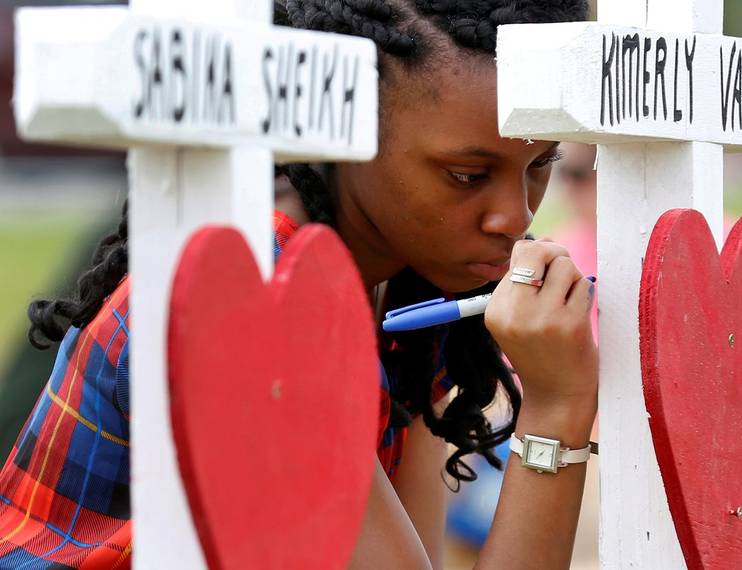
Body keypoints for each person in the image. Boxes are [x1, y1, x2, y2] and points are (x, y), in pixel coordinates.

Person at [0, 1, 598, 568]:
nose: (515, 217)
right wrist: (556, 405)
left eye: (542, 162)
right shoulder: (261, 289)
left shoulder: (412, 272)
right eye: (467, 174)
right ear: (352, 133)